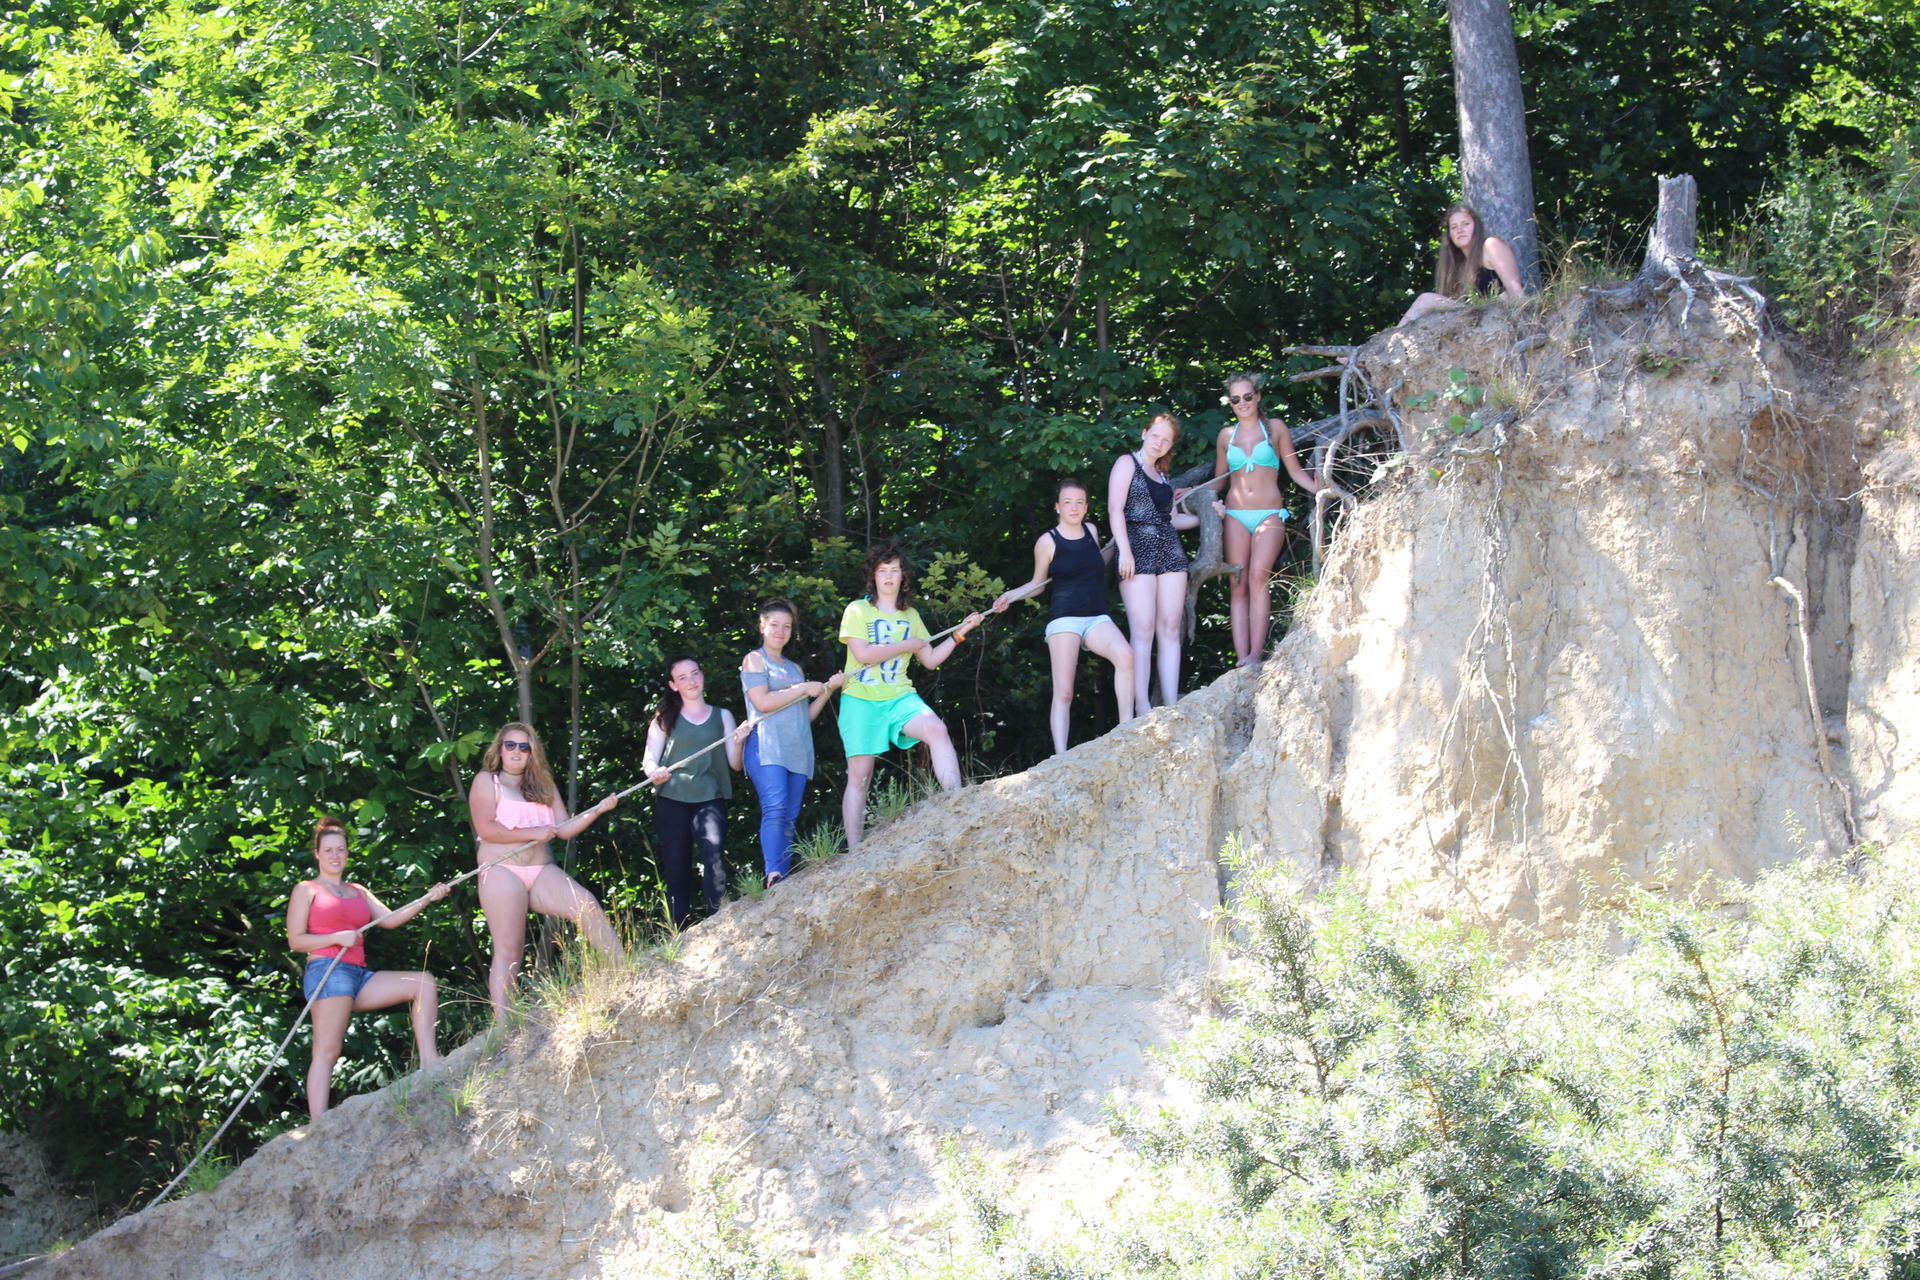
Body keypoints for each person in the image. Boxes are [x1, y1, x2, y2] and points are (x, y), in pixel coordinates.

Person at [284, 816, 450, 1117]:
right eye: (328, 850)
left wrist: (427, 899)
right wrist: (336, 937)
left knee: (423, 982)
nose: (335, 855)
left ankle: (430, 1061)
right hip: (328, 971)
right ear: (317, 854)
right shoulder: (306, 889)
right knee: (328, 1049)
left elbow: (390, 919)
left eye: (340, 849)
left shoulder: (358, 890)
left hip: (359, 974)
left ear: (347, 852)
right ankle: (318, 1124)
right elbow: (296, 941)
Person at [468, 723, 623, 1020]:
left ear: (532, 753)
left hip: (540, 869)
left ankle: (624, 971)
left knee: (586, 904)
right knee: (510, 949)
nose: (516, 751)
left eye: (524, 747)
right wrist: (533, 832)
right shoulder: (487, 781)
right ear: (500, 749)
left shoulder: (543, 783)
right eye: (510, 745)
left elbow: (563, 829)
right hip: (501, 870)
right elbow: (486, 829)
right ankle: (504, 1025)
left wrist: (598, 810)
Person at [838, 543, 985, 851]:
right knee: (861, 776)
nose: (888, 576)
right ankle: (854, 850)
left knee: (936, 729)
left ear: (903, 577)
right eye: (882, 571)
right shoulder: (857, 609)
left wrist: (961, 633)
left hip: (899, 697)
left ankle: (957, 803)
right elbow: (863, 654)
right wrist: (906, 645)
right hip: (860, 699)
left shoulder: (911, 616)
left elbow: (930, 659)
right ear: (873, 576)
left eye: (895, 570)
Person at [990, 478, 1134, 753]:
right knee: (1065, 692)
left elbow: (1096, 562)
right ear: (1057, 507)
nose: (1074, 507)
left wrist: (1119, 542)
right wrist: (1009, 595)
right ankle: (1061, 756)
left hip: (1096, 616)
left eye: (1079, 502)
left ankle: (1127, 730)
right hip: (1065, 618)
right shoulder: (1047, 542)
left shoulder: (1091, 531)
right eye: (1067, 502)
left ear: (1086, 507)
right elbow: (1037, 585)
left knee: (1126, 656)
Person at [1206, 374, 1325, 666]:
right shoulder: (1225, 436)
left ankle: (1256, 654)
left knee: (1259, 577)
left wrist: (1320, 488)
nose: (1242, 403)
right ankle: (1240, 659)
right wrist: (1195, 492)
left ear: (1257, 396)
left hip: (1269, 513)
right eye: (1235, 399)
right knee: (1238, 583)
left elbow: (1294, 471)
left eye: (1247, 396)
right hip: (1235, 514)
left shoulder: (1276, 428)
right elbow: (1220, 480)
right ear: (1230, 403)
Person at [739, 602, 845, 889]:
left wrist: (828, 690)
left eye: (786, 626)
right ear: (762, 626)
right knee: (775, 807)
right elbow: (762, 702)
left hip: (798, 748)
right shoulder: (754, 659)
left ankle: (782, 881)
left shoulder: (795, 668)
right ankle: (773, 873)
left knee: (790, 816)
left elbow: (804, 716)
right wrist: (802, 688)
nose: (780, 631)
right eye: (774, 624)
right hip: (767, 745)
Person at [643, 656, 753, 926]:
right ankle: (678, 932)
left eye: (695, 674)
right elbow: (649, 760)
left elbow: (735, 765)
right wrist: (654, 772)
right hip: (672, 798)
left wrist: (739, 741)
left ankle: (718, 923)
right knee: (676, 867)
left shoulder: (723, 716)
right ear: (673, 685)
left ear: (702, 675)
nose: (691, 681)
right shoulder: (663, 718)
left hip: (710, 797)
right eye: (682, 678)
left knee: (714, 854)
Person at [1108, 413, 1199, 711]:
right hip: (1136, 548)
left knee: (1170, 628)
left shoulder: (1163, 475)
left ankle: (1171, 705)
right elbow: (1115, 509)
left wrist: (1206, 517)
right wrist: (1125, 551)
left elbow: (1172, 519)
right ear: (1144, 433)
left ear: (1171, 445)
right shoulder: (1126, 463)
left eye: (1166, 440)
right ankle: (1142, 707)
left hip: (1170, 551)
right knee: (1143, 628)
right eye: (1155, 435)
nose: (1159, 443)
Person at [1399, 202, 1527, 326]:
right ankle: (1394, 336)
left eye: (1465, 224)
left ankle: (1393, 335)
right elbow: (1462, 306)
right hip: (1475, 319)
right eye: (1454, 227)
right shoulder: (1458, 266)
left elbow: (1516, 291)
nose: (1459, 230)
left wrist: (1526, 321)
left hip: (1499, 316)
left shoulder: (1491, 246)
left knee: (1425, 300)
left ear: (1476, 227)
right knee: (1425, 301)